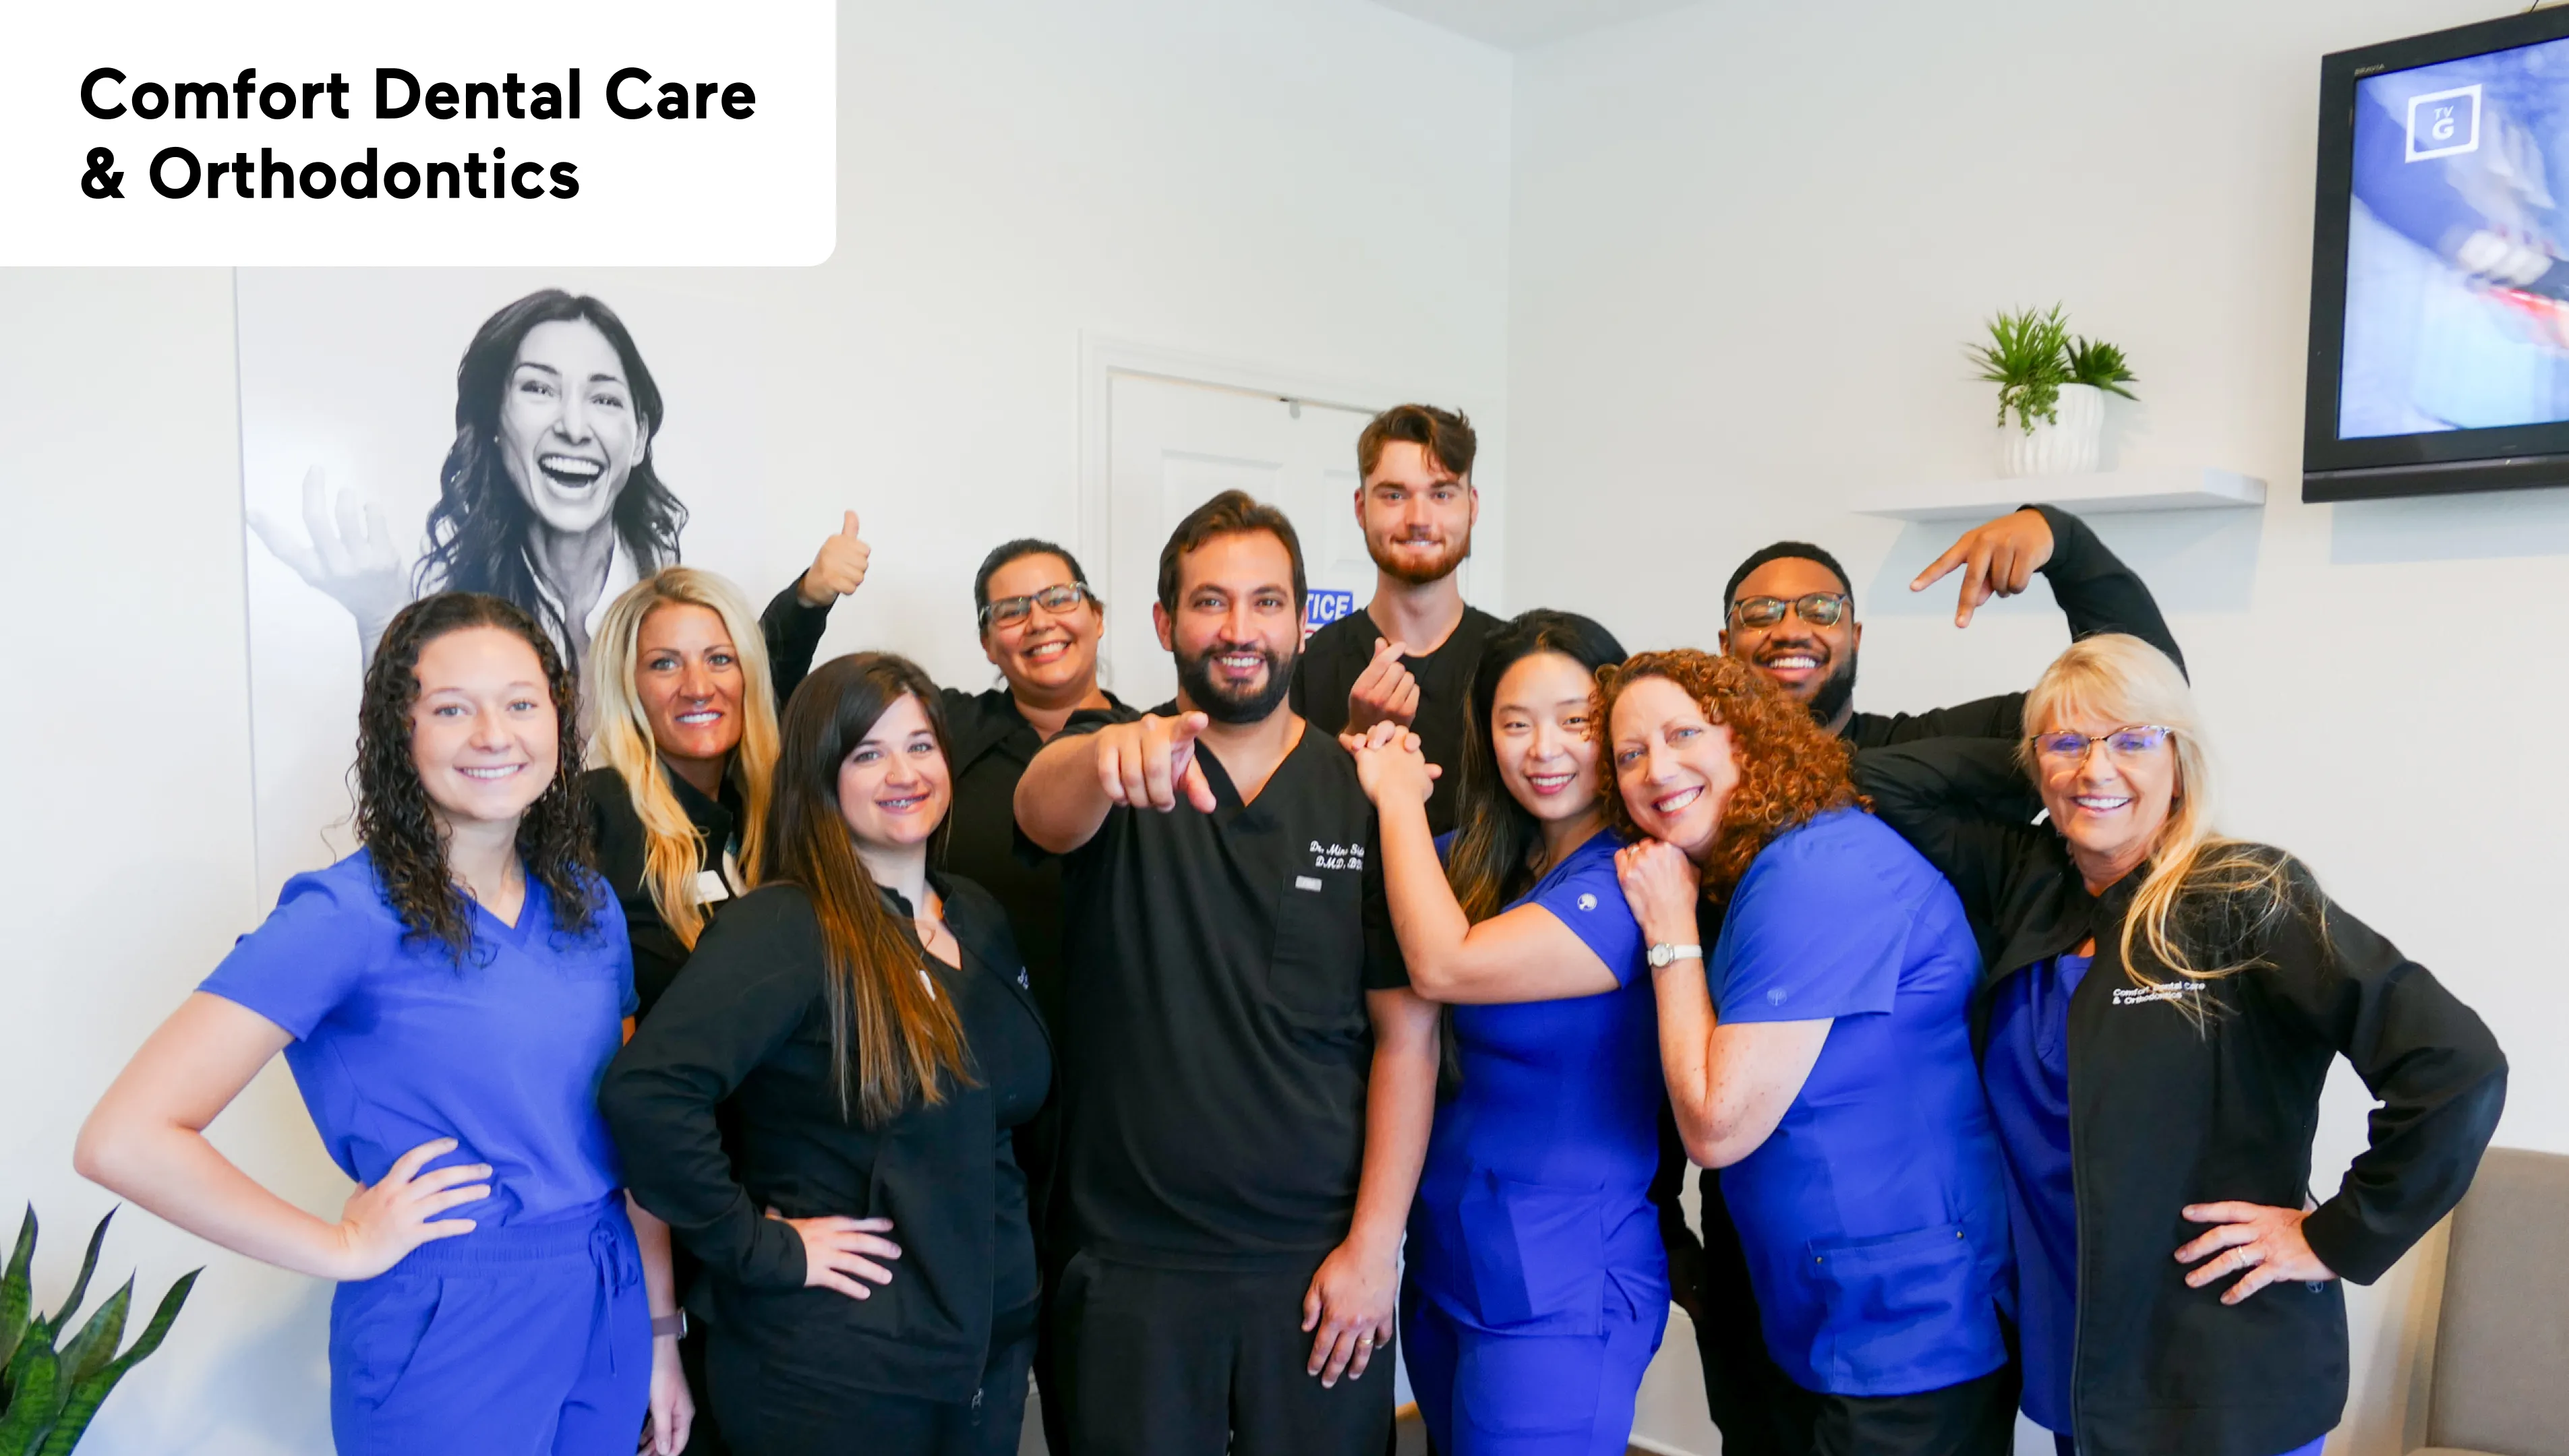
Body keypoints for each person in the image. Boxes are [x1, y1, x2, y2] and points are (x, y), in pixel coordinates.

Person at [1853, 634, 2506, 1456]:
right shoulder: (2028, 881)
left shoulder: (2243, 894)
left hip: (2218, 1374)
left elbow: (2458, 1067)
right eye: (2069, 743)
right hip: (2081, 1364)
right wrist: (2047, 755)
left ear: (2181, 757)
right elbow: (1870, 779)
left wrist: (2337, 1236)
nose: (2097, 769)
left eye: (2134, 739)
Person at [73, 591, 690, 1456]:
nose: (493, 734)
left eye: (520, 703)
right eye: (451, 709)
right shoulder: (343, 916)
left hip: (607, 1295)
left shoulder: (587, 905)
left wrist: (661, 1334)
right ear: (399, 736)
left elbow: (633, 1135)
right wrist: (342, 1245)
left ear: (558, 719)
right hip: (450, 1319)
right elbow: (125, 1137)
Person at [1672, 501, 2185, 1455]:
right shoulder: (1687, 806)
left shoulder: (1919, 762)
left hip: (1917, 1246)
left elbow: (2134, 701)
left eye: (1820, 608)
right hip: (1755, 1227)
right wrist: (1662, 1222)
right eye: (1758, 614)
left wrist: (2062, 545)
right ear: (1723, 643)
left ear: (1855, 633)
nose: (1790, 628)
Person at [1014, 489, 1442, 1456]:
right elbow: (1043, 811)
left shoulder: (1361, 792)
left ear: (1302, 620)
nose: (1238, 629)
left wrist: (1375, 1250)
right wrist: (1099, 753)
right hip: (1130, 1265)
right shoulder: (1116, 767)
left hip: (1316, 1266)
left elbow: (1407, 1040)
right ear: (1166, 623)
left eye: (1265, 601)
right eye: (1210, 602)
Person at [602, 653, 1051, 1456]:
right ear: (821, 777)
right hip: (840, 1374)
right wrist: (760, 1248)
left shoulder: (974, 916)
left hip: (985, 1357)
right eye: (866, 754)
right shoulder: (787, 926)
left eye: (919, 746)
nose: (902, 773)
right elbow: (647, 1093)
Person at [1603, 650, 2015, 1456]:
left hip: (1908, 1329)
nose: (1657, 768)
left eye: (1685, 733)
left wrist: (1670, 933)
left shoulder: (1818, 871)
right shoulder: (1763, 864)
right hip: (1833, 1311)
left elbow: (1717, 1127)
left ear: (1748, 741)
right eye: (1629, 754)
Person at [1340, 609, 1667, 1456]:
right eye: (1514, 723)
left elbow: (1445, 966)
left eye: (1575, 722)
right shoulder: (1478, 860)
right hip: (1446, 1267)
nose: (1544, 749)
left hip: (1561, 1290)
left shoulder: (1632, 880)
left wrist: (1400, 799)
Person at [249, 289, 688, 677]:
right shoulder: (448, 600)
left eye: (605, 398)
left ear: (639, 439)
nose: (574, 427)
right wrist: (382, 621)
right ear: (494, 421)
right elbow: (408, 765)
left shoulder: (685, 609)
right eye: (538, 389)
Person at [585, 514, 873, 1017]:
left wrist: (809, 598)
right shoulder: (597, 814)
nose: (698, 687)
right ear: (629, 685)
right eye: (665, 663)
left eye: (720, 659)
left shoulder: (768, 810)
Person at [1292, 402, 1503, 837]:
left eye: (1442, 493)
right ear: (1360, 508)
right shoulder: (1306, 668)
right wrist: (1354, 738)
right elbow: (1283, 831)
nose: (1419, 519)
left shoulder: (1514, 662)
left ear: (1472, 507)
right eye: (1394, 495)